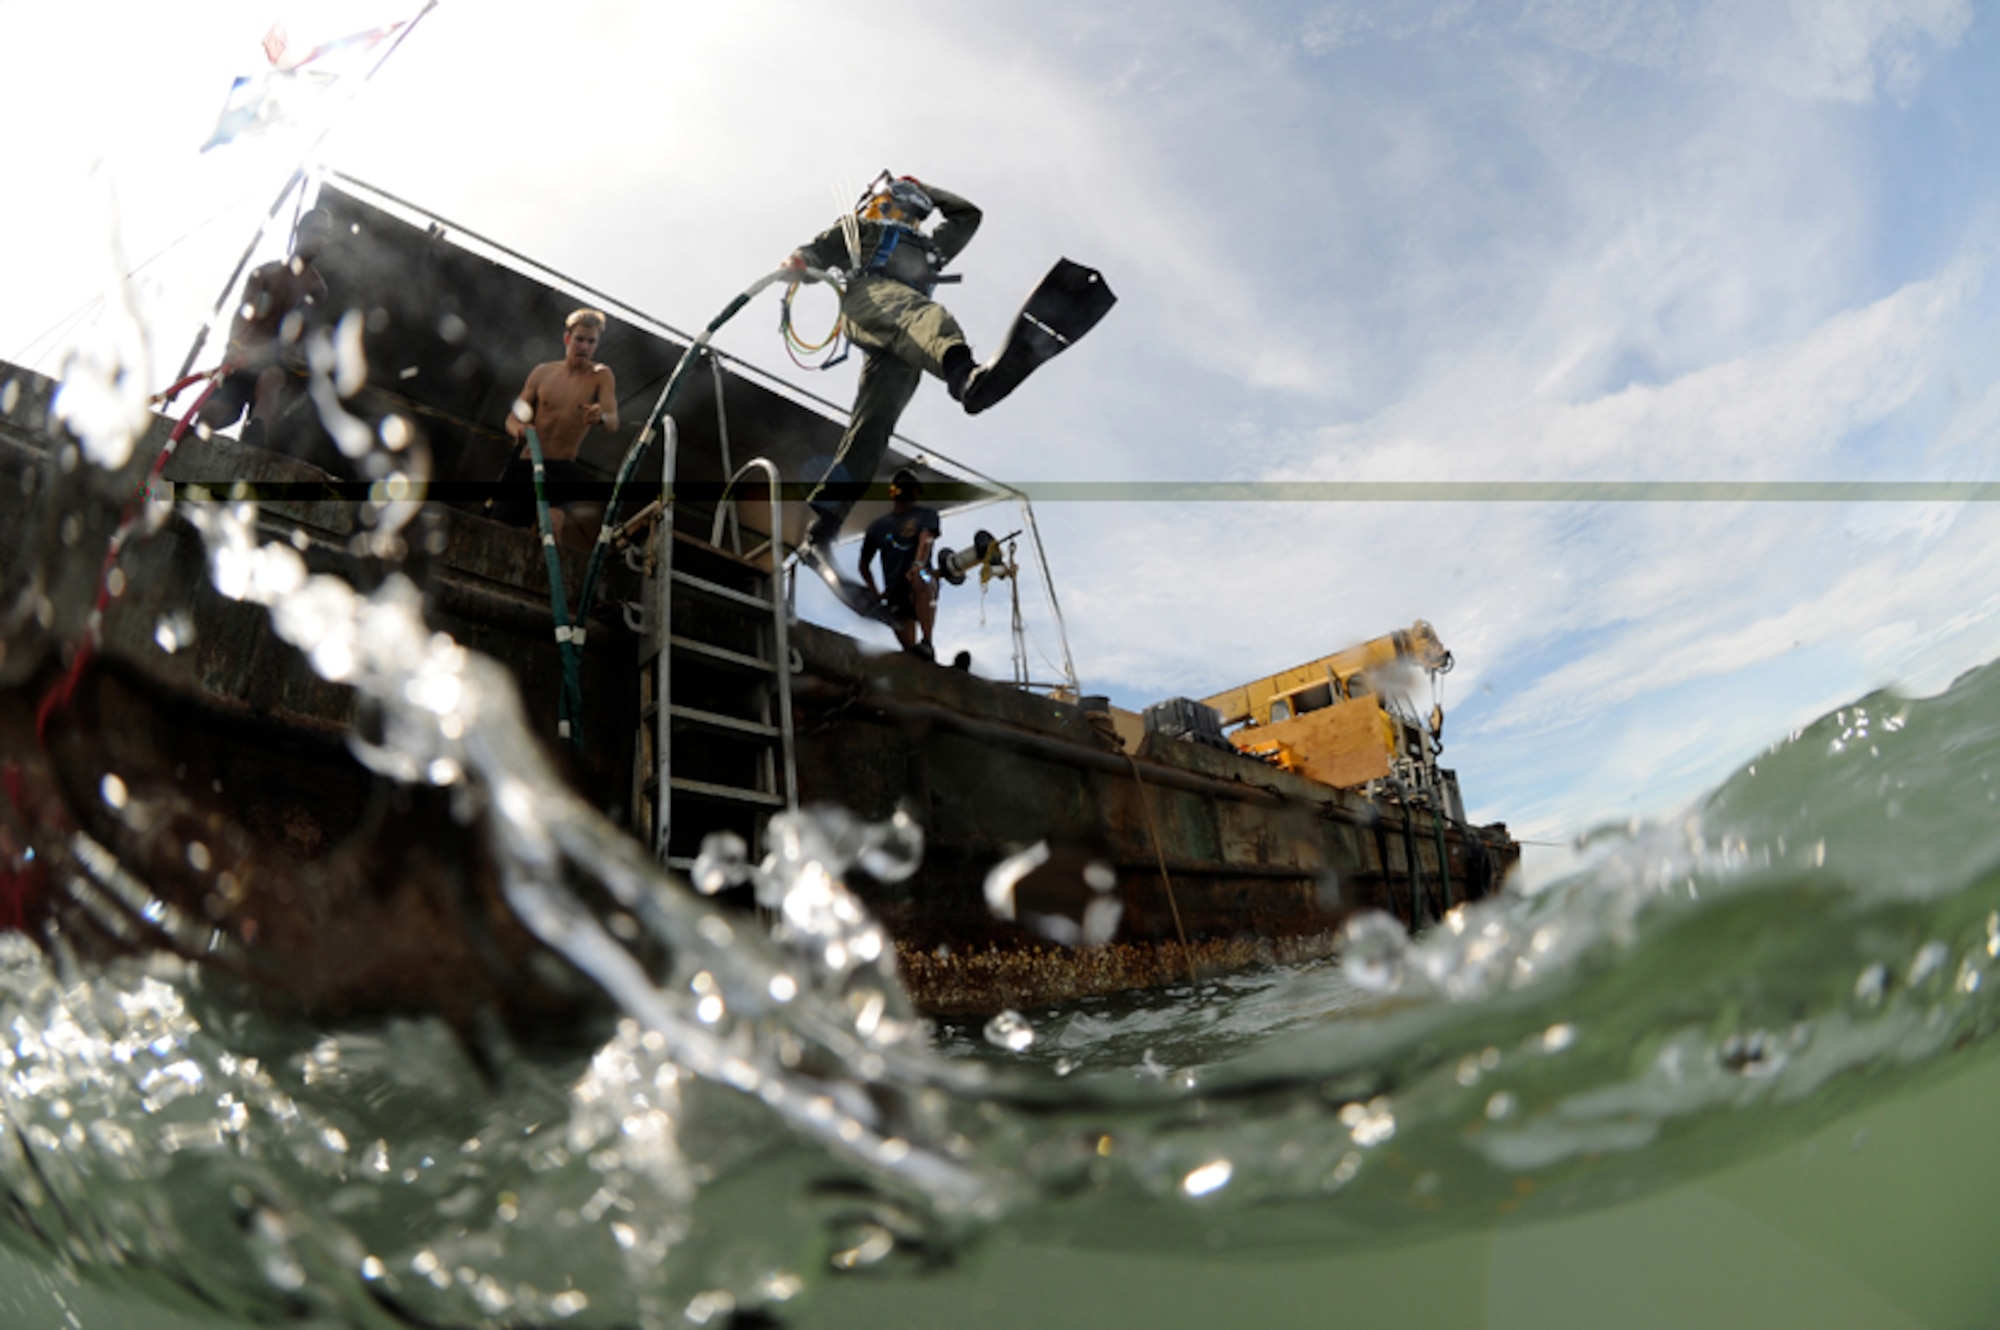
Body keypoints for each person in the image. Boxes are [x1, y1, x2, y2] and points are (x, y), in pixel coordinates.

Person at [781, 174, 985, 556]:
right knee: (921, 313)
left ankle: (825, 520)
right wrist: (799, 262)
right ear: (882, 199)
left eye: (916, 204)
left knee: (873, 426)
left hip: (909, 339)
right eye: (903, 198)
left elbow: (968, 216)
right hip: (870, 300)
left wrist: (929, 188)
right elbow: (816, 252)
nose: (910, 210)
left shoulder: (929, 245)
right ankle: (963, 372)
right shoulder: (860, 230)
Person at [198, 207, 334, 444]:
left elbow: (292, 337)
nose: (322, 240)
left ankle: (253, 439)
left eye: (327, 235)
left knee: (271, 381)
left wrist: (258, 355)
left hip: (274, 366)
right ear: (300, 230)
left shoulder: (316, 289)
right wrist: (234, 346)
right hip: (240, 363)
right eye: (317, 232)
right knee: (207, 417)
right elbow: (242, 316)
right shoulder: (263, 273)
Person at [493, 308, 620, 548]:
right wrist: (519, 429)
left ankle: (543, 581)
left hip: (561, 467)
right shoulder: (543, 372)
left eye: (591, 342)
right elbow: (511, 417)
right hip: (527, 462)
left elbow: (613, 422)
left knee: (550, 526)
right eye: (580, 339)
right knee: (500, 529)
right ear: (567, 339)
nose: (584, 346)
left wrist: (600, 416)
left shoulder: (600, 375)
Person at [858, 468, 942, 659]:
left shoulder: (926, 515)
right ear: (893, 492)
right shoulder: (878, 527)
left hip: (920, 577)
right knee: (911, 654)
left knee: (923, 580)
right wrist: (875, 594)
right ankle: (920, 661)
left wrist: (918, 564)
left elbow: (925, 540)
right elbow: (863, 564)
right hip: (895, 592)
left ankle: (927, 641)